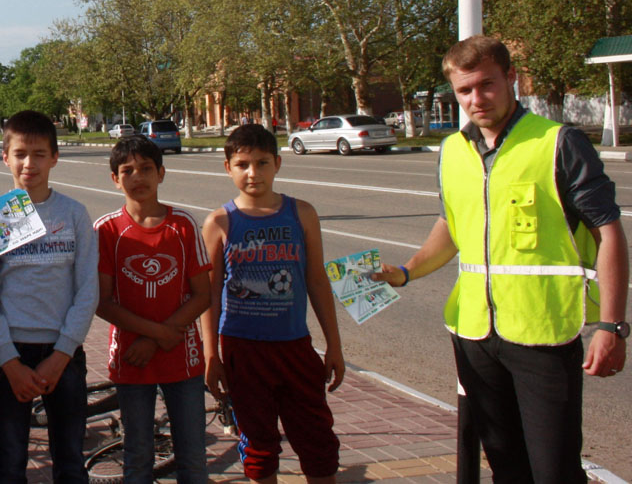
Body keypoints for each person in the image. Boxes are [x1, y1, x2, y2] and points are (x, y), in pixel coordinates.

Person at [373, 35, 628, 483]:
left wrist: (612, 325)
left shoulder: (558, 143)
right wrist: (408, 271)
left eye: (486, 85)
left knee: (555, 469)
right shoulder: (453, 150)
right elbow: (453, 227)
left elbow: (608, 233)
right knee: (505, 463)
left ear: (511, 79)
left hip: (543, 334)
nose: (476, 99)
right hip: (474, 334)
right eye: (464, 91)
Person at [201, 124, 343, 484]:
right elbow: (209, 293)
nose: (253, 173)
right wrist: (211, 354)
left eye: (262, 163)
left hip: (294, 346)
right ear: (228, 168)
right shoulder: (219, 222)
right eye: (243, 164)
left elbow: (316, 281)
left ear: (278, 164)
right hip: (242, 349)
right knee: (259, 445)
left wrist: (335, 347)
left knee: (317, 441)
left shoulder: (302, 213)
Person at [0, 109, 99, 484]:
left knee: (71, 459)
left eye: (40, 154)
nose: (30, 163)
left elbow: (88, 289)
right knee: (10, 461)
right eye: (21, 153)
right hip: (12, 354)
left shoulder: (74, 215)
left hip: (64, 354)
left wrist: (61, 355)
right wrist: (9, 363)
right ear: (5, 156)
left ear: (55, 157)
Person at [94, 135, 212, 484]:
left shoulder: (183, 225)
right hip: (132, 358)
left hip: (183, 358)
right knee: (137, 453)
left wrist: (160, 337)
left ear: (161, 173)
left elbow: (202, 295)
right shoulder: (107, 230)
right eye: (127, 170)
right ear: (115, 179)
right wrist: (155, 334)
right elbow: (102, 302)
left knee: (192, 456)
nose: (138, 177)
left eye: (146, 168)